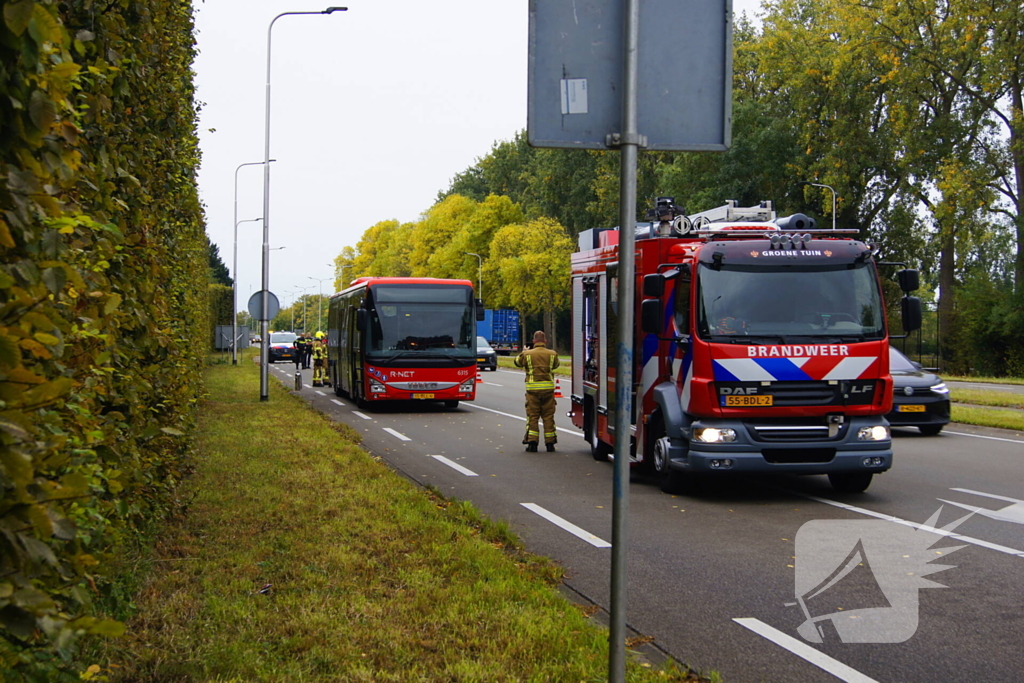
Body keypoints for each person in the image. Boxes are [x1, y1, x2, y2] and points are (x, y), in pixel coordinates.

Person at [514, 330, 560, 452]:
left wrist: (523, 351)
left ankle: (532, 443)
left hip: (532, 391)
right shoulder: (552, 354)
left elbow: (517, 363)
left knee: (533, 416)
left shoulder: (527, 354)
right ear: (545, 341)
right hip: (548, 391)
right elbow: (556, 366)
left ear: (534, 341)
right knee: (548, 416)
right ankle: (550, 444)